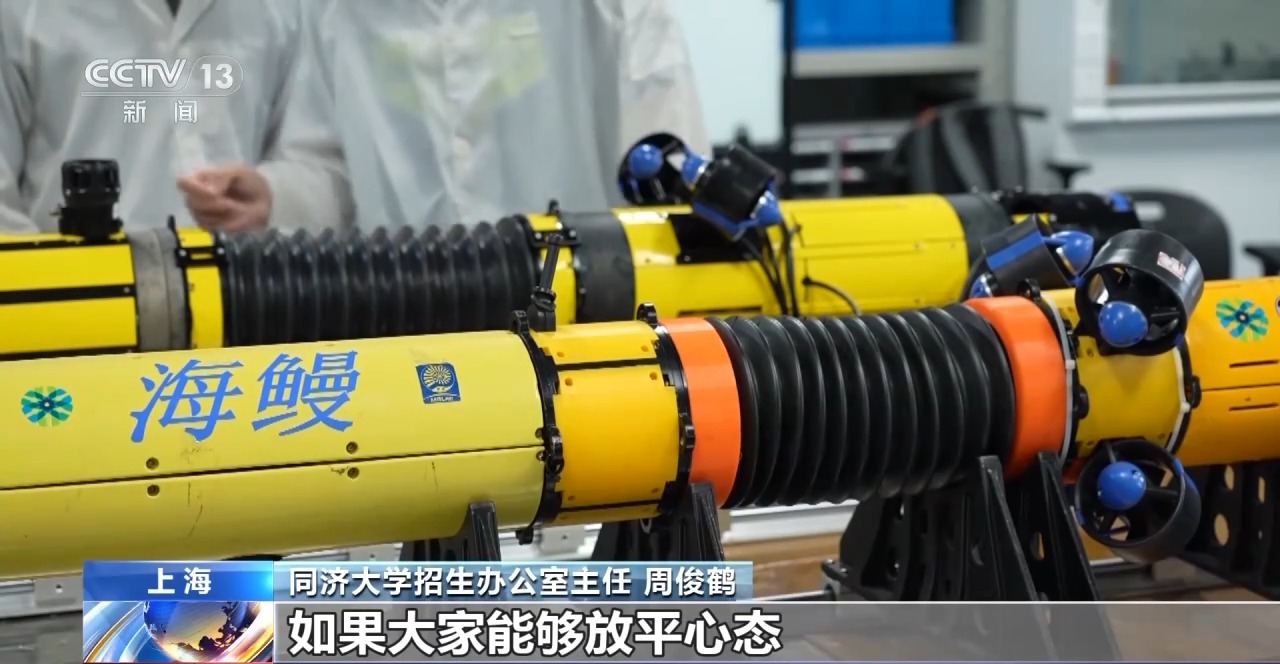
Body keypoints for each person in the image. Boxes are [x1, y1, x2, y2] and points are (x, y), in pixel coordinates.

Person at [179, 0, 709, 232]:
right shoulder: (339, 9)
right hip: (418, 344)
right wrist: (273, 198)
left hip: (588, 343)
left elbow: (670, 172)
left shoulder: (613, 8)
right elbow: (332, 169)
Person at [0, 0, 299, 234]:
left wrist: (273, 195)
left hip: (244, 283)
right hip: (73, 286)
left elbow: (311, 158)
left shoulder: (284, 8)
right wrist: (56, 284)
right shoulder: (23, 9)